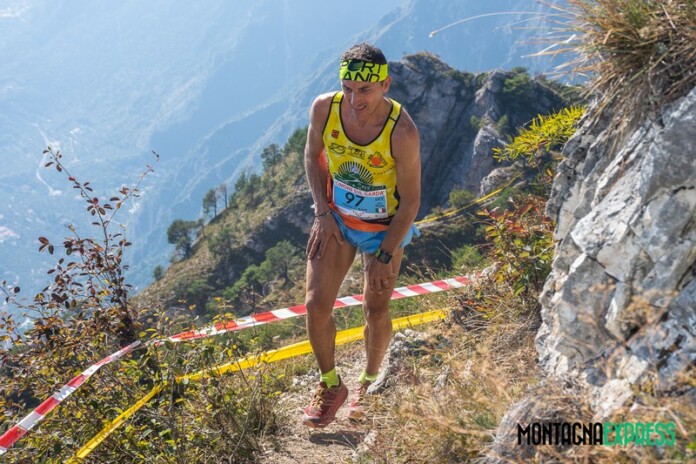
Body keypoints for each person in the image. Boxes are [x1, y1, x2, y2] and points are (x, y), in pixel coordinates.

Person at [302, 42, 421, 428]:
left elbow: (411, 202)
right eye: (348, 88)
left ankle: (369, 383)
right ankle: (330, 386)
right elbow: (312, 156)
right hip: (336, 219)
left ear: (385, 85)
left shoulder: (401, 132)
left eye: (365, 90)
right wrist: (322, 211)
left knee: (376, 308)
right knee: (315, 304)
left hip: (384, 229)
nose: (355, 100)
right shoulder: (325, 109)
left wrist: (385, 255)